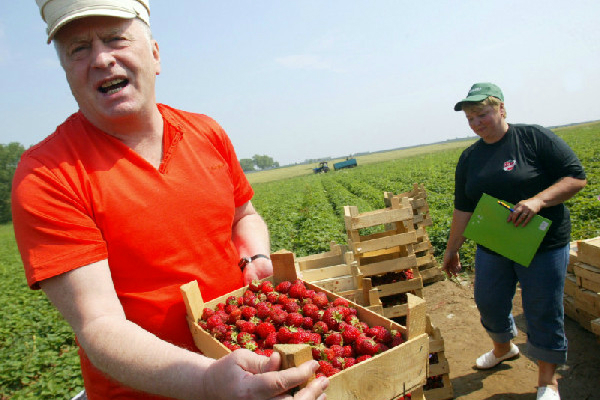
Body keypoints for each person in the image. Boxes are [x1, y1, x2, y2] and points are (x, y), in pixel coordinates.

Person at [12, 1, 329, 399]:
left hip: (250, 365)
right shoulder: (48, 174)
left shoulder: (206, 133)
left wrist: (256, 257)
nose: (101, 59)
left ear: (155, 55)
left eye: (115, 39)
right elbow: (98, 325)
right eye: (79, 48)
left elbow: (243, 216)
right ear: (66, 73)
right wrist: (207, 381)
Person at [442, 82, 587, 400]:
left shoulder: (533, 138)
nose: (476, 123)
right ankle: (504, 348)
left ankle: (548, 381)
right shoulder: (470, 158)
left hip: (543, 244)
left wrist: (538, 201)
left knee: (543, 308)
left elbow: (576, 177)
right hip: (495, 243)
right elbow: (463, 208)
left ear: (502, 109)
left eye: (482, 114)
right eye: (470, 118)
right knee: (489, 301)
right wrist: (452, 249)